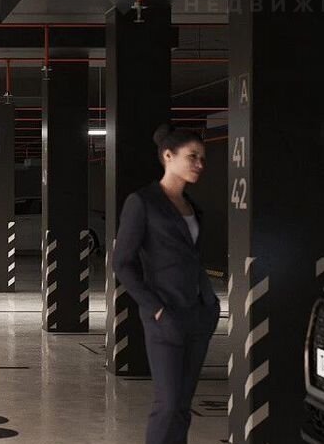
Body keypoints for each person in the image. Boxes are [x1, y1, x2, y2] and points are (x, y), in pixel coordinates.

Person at [111, 124, 220, 444]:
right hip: (165, 316)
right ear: (168, 156)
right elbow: (122, 263)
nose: (199, 164)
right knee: (168, 404)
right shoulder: (142, 202)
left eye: (202, 158)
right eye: (192, 156)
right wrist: (156, 309)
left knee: (183, 406)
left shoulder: (192, 207)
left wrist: (210, 306)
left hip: (200, 314)